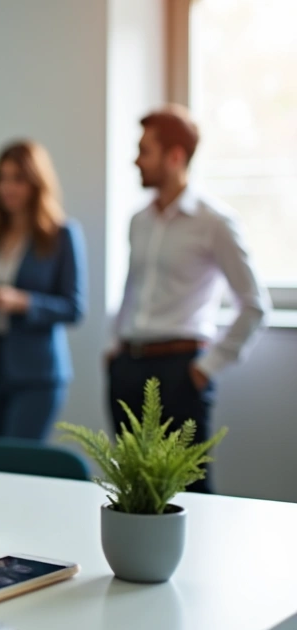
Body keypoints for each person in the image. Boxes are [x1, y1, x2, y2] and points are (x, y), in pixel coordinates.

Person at [108, 105, 270, 494]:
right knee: (134, 492)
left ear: (175, 155)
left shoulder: (213, 221)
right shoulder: (139, 221)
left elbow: (254, 304)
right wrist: (114, 348)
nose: (135, 160)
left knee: (188, 493)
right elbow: (132, 290)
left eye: (144, 150)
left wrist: (205, 368)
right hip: (128, 368)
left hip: (180, 372)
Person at [0, 141, 86, 440]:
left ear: (36, 183)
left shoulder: (61, 236)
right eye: (1, 178)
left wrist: (23, 302)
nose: (7, 187)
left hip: (37, 371)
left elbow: (74, 307)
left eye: (17, 178)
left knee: (21, 462)